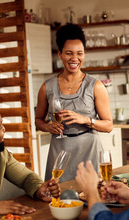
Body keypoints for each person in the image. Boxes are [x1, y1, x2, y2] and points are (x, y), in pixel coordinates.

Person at [35, 24, 112, 183]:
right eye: (69, 53)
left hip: (89, 151)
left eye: (79, 53)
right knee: (57, 198)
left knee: (91, 197)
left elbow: (108, 125)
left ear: (84, 54)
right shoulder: (46, 87)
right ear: (60, 54)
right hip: (59, 151)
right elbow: (38, 121)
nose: (74, 58)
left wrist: (86, 120)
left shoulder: (95, 86)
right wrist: (48, 126)